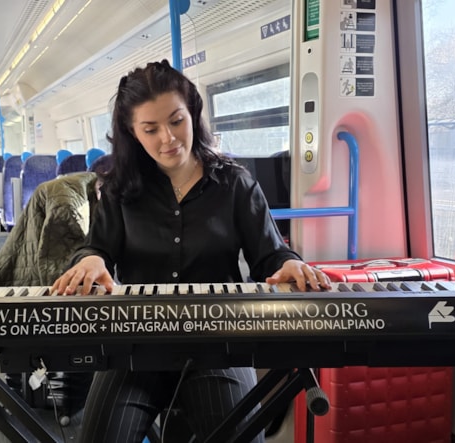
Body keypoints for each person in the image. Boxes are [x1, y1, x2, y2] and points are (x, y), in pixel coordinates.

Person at [51, 59, 331, 442]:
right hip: (136, 342)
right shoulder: (118, 189)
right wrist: (91, 259)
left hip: (218, 342)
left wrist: (290, 264)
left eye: (176, 121)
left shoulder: (236, 184)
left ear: (193, 114)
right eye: (151, 129)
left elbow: (270, 255)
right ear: (133, 134)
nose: (168, 138)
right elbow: (96, 249)